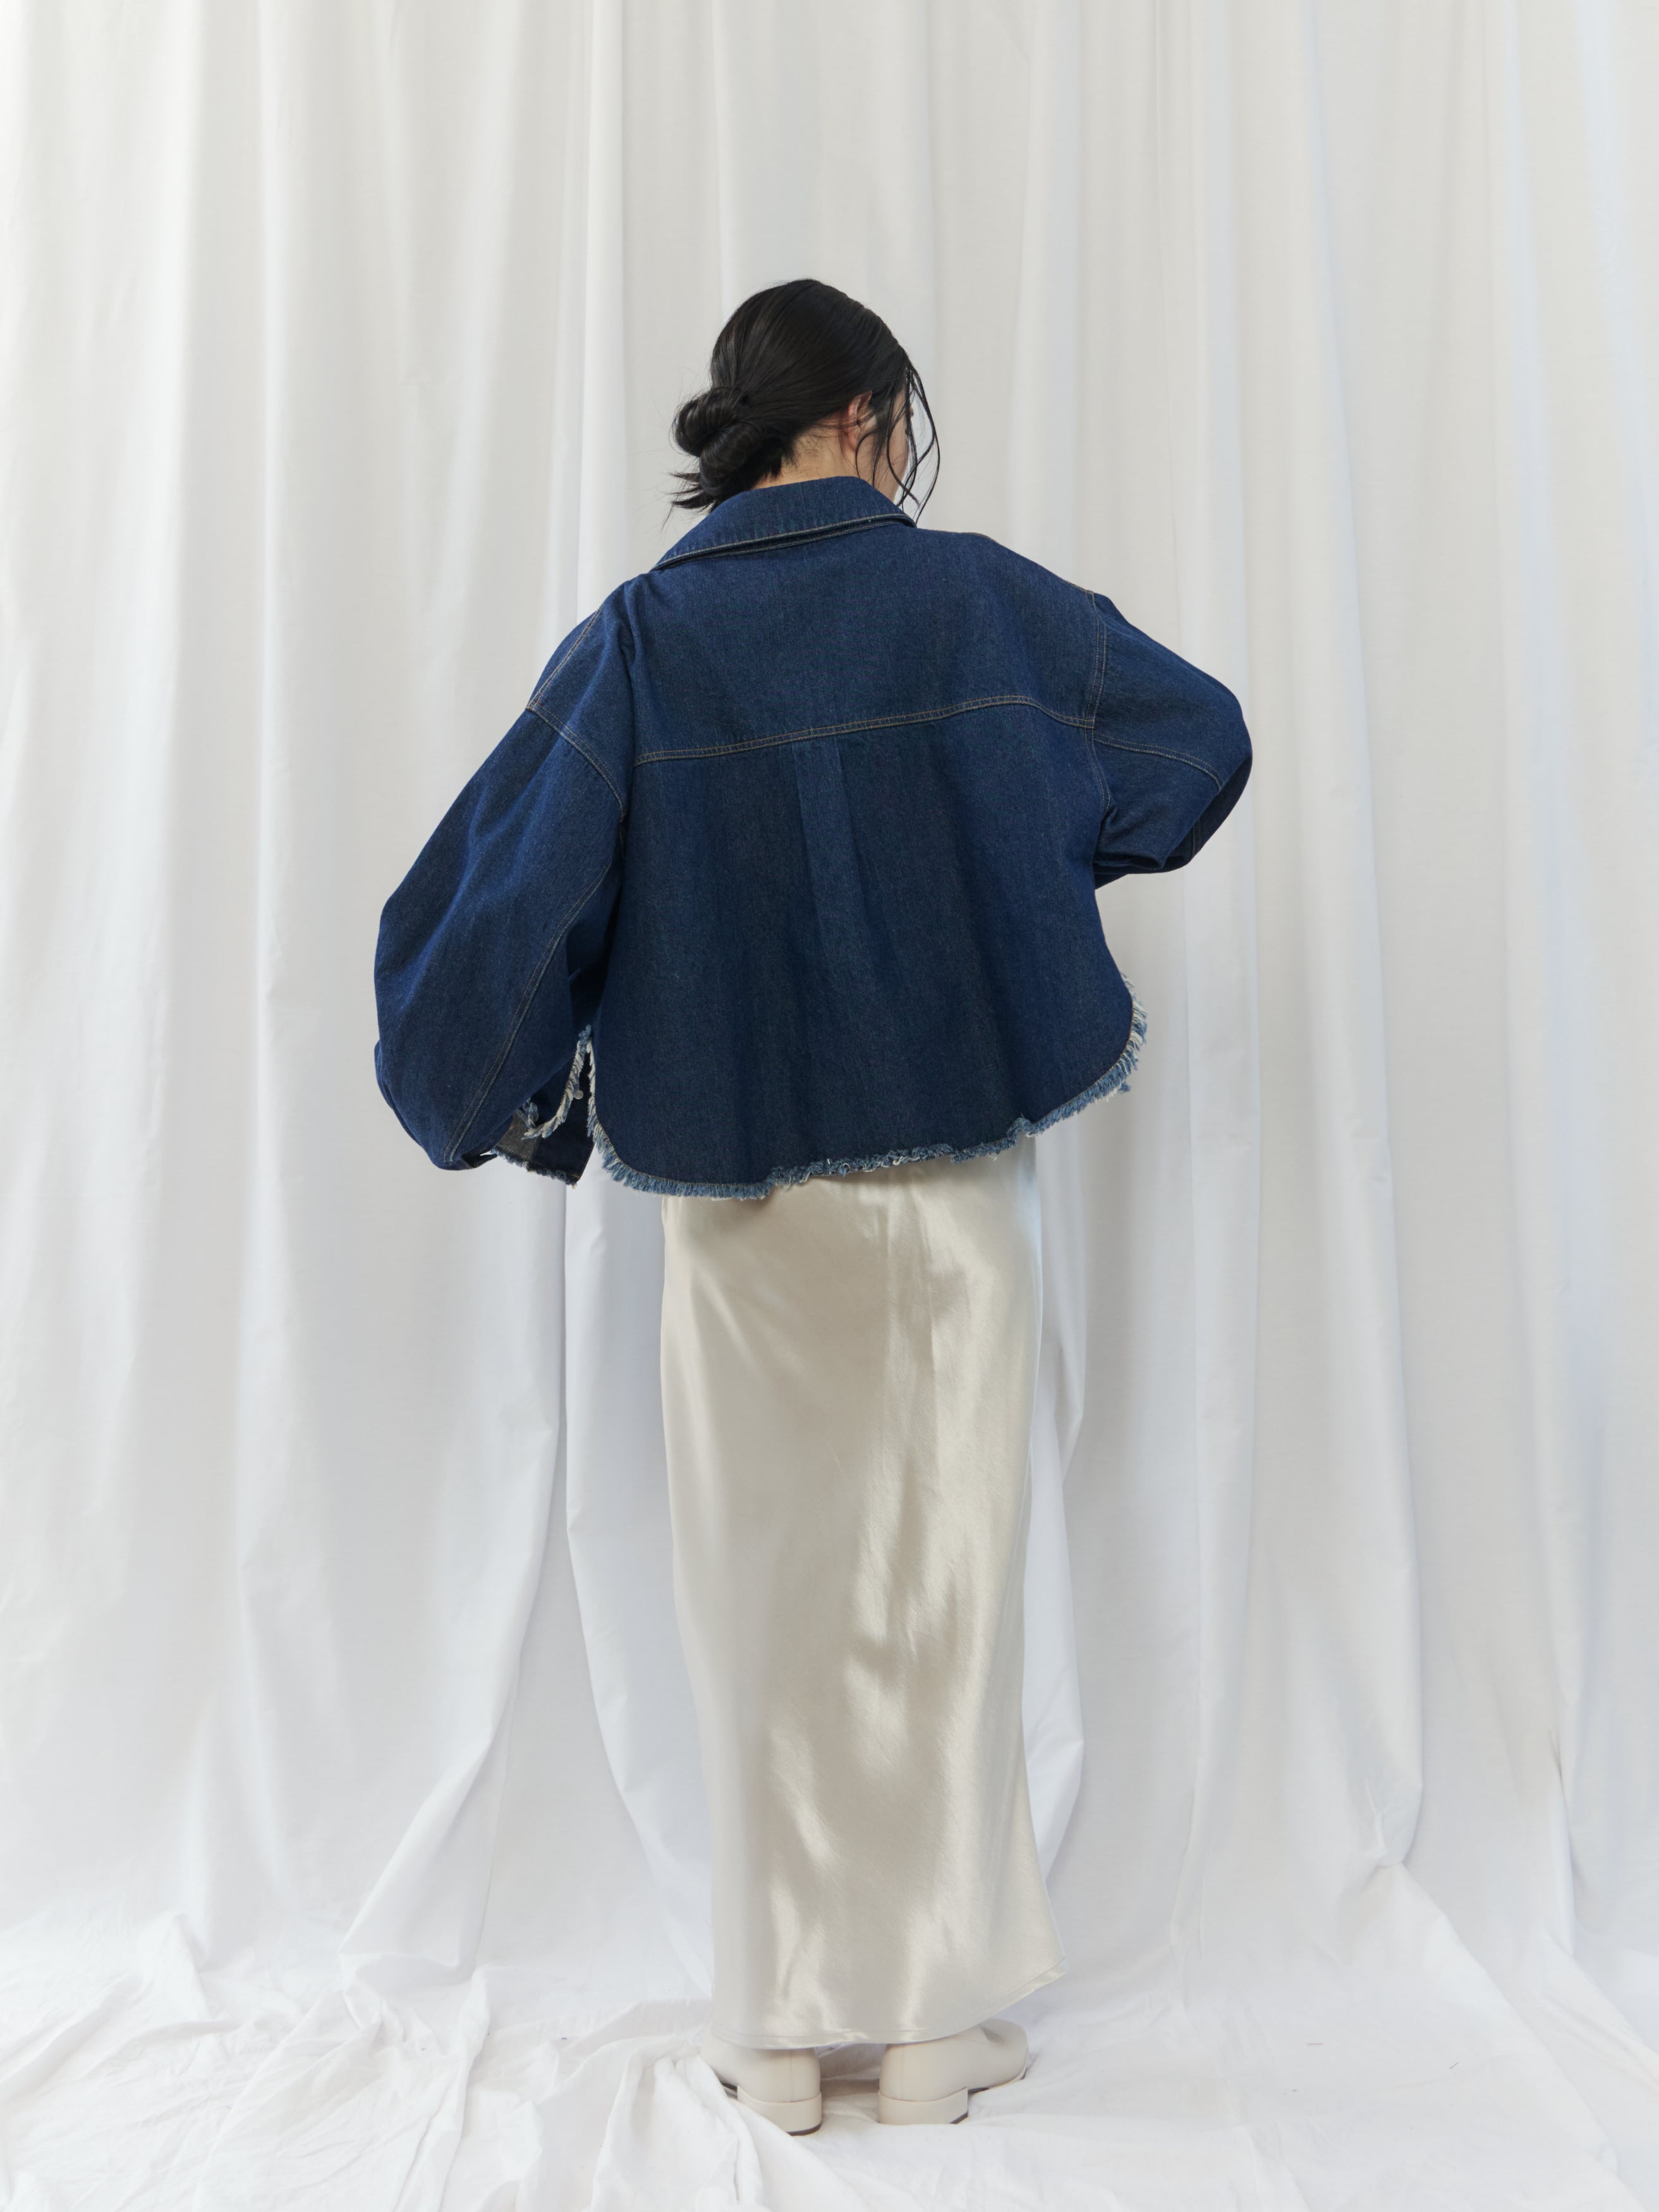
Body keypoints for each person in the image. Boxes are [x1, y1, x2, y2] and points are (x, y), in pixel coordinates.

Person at [373, 278, 1251, 2130]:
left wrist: (497, 1097)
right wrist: (1002, 852)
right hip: (953, 1198)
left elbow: (483, 918)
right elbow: (1197, 739)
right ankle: (930, 2029)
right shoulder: (971, 601)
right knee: (944, 1603)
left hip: (737, 1207)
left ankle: (775, 2034)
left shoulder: (640, 642)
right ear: (858, 417)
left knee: (761, 1618)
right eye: (900, 415)